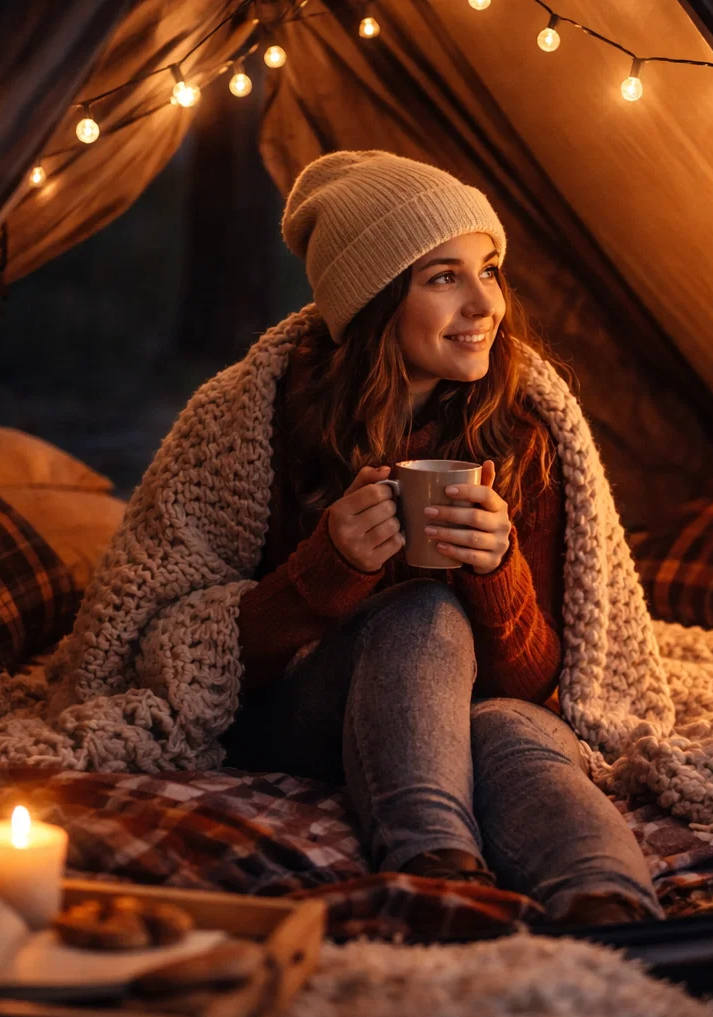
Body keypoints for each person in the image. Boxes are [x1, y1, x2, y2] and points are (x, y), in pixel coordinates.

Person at [217, 151, 661, 927]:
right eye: (443, 277)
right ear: (376, 299)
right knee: (422, 612)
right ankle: (433, 879)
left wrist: (498, 570)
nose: (485, 303)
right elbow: (219, 668)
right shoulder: (264, 422)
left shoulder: (524, 431)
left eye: (488, 270)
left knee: (516, 731)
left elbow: (531, 683)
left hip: (475, 709)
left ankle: (612, 910)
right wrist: (332, 567)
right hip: (310, 713)